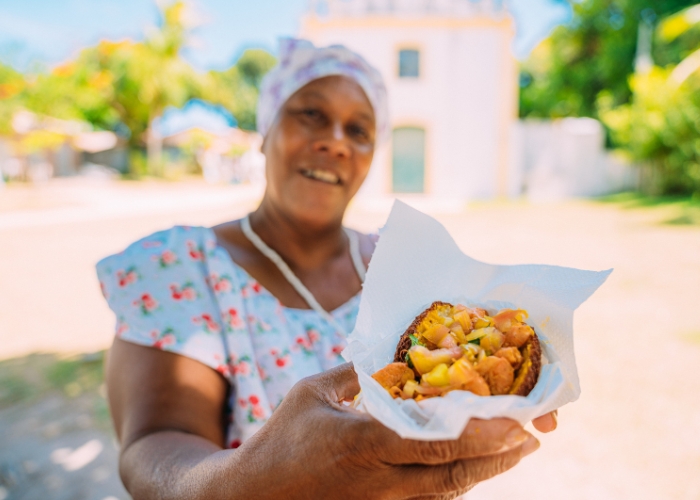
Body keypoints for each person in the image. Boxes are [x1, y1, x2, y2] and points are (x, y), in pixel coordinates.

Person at [97, 39, 557, 500]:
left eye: (359, 130)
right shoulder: (181, 268)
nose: (336, 141)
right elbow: (152, 448)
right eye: (311, 115)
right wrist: (257, 478)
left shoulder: (400, 264)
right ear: (265, 129)